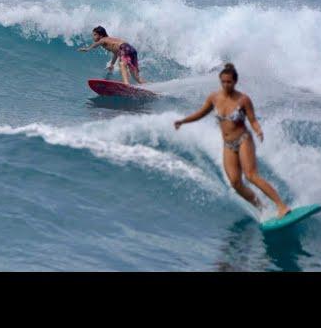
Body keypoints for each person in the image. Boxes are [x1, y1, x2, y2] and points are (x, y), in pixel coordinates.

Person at [173, 63, 291, 218]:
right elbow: (200, 113)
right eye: (223, 81)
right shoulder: (214, 98)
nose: (226, 85)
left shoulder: (243, 100)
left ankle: (281, 206)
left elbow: (253, 120)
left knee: (251, 176)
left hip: (243, 140)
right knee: (235, 183)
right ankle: (262, 208)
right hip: (228, 145)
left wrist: (258, 130)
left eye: (229, 82)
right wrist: (183, 121)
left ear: (235, 82)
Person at [78, 26, 146, 85]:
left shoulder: (103, 39)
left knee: (122, 64)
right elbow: (116, 54)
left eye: (95, 35)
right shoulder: (110, 41)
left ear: (101, 35)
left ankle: (126, 84)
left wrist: (87, 49)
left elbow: (97, 44)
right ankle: (148, 86)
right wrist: (112, 64)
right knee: (135, 77)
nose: (93, 37)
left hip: (124, 48)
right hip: (132, 50)